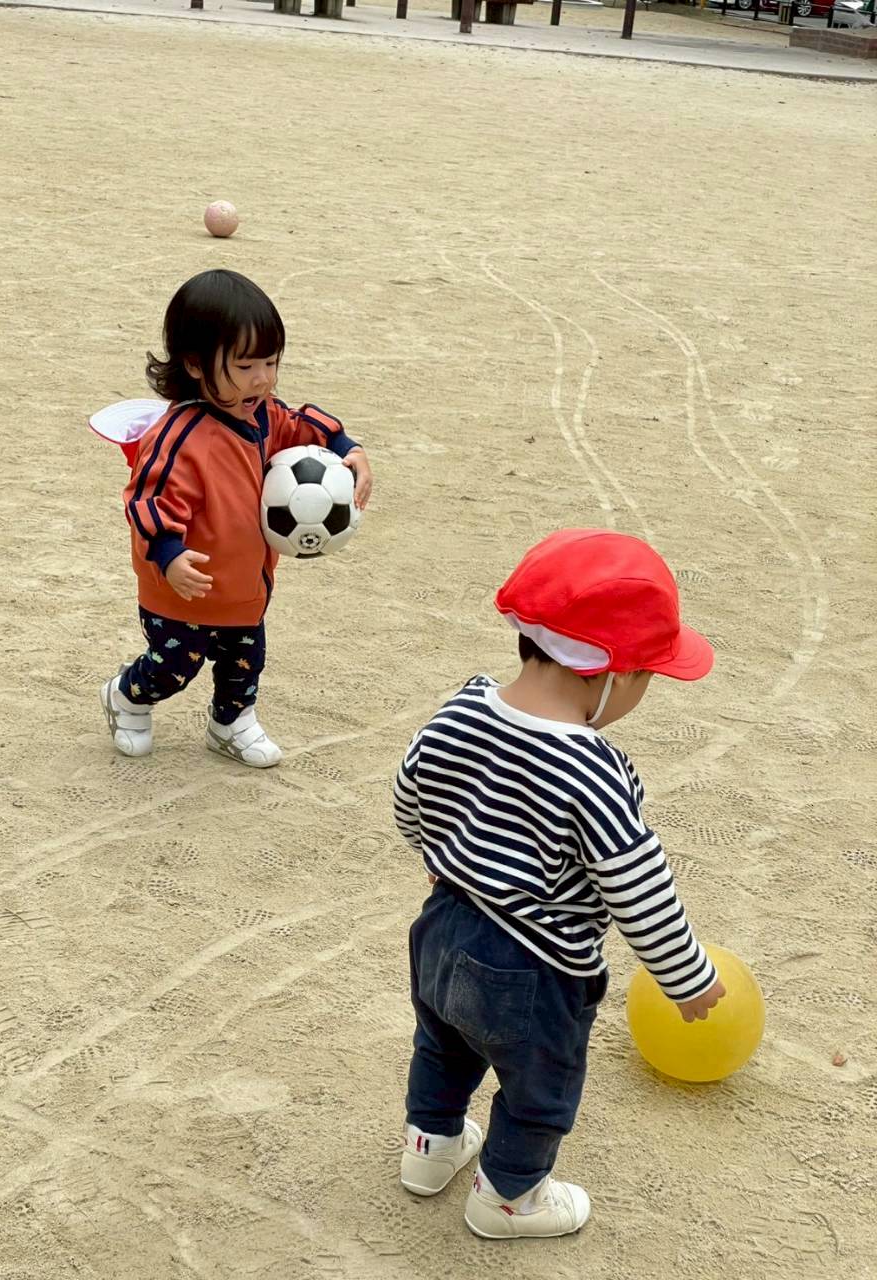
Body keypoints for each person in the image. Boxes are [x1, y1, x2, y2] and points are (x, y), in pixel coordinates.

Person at [393, 528, 725, 1241]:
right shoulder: (595, 771)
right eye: (647, 677)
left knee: (442, 1046)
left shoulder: (460, 709)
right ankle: (509, 1200)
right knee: (538, 1090)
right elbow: (639, 888)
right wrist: (687, 979)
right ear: (610, 675)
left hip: (442, 927)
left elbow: (409, 792)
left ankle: (429, 1147)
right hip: (535, 969)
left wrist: (438, 857)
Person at [99, 269, 372, 765]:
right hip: (182, 588)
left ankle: (231, 723)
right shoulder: (180, 438)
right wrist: (169, 555)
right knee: (173, 668)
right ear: (196, 364)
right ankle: (126, 697)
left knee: (244, 664)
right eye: (245, 366)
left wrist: (344, 445)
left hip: (244, 586)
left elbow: (300, 424)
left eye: (271, 362)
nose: (262, 378)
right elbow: (149, 501)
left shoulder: (264, 414)